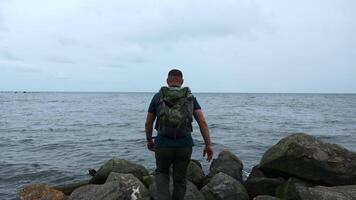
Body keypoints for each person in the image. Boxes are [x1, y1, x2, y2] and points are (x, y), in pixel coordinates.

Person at [145, 69, 213, 200]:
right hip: (184, 144)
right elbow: (202, 122)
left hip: (163, 144)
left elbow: (148, 122)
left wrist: (149, 139)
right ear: (182, 82)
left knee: (162, 174)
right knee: (180, 179)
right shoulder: (190, 97)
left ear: (167, 81)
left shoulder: (158, 96)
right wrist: (208, 144)